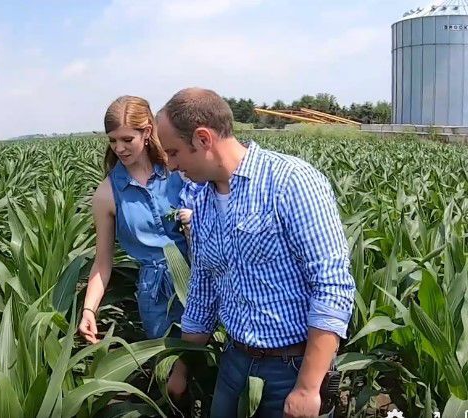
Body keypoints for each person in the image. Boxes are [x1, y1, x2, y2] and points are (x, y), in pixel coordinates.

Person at [157, 88, 355, 418]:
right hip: (235, 362)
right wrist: (182, 367)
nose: (171, 164)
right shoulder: (202, 200)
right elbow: (203, 293)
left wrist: (307, 387)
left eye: (174, 152)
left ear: (203, 139)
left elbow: (332, 286)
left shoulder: (291, 181)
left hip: (292, 367)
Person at [78, 95, 190, 343]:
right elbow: (102, 263)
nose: (118, 148)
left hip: (198, 276)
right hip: (155, 294)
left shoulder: (179, 172)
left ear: (147, 132)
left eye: (127, 139)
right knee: (167, 367)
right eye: (113, 140)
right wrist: (89, 310)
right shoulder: (107, 193)